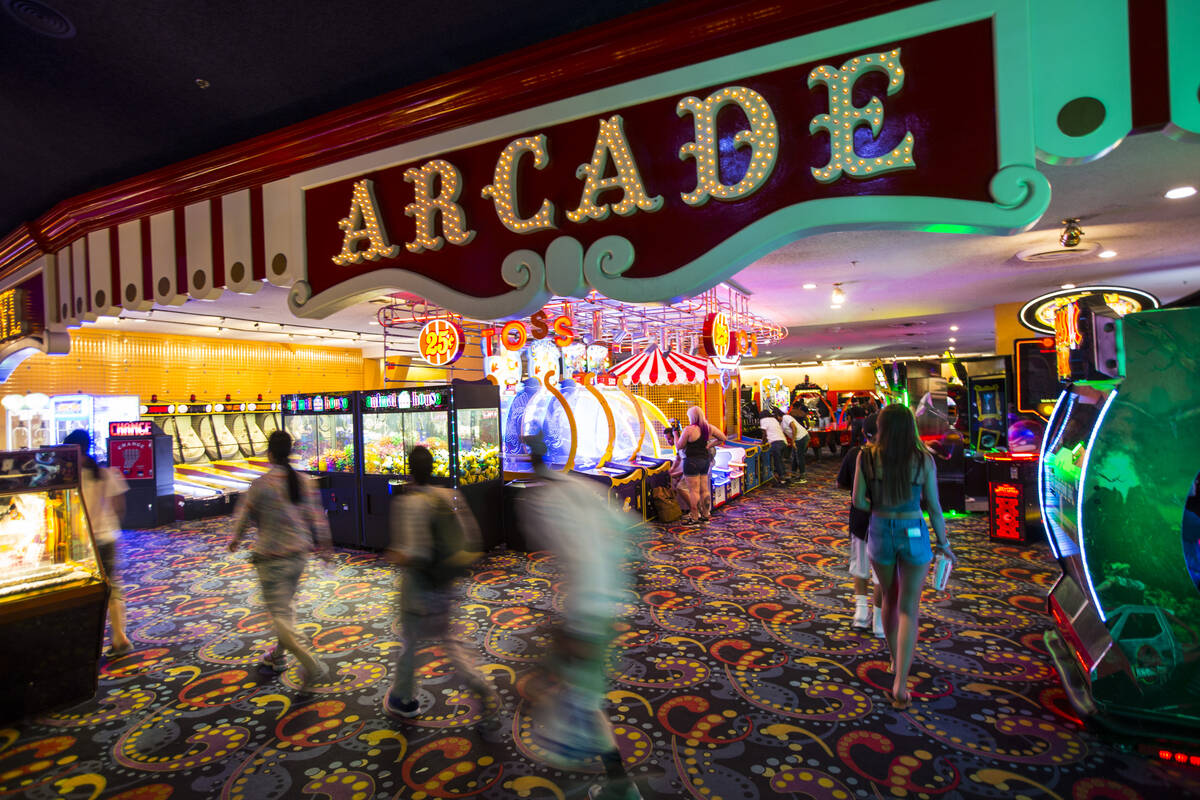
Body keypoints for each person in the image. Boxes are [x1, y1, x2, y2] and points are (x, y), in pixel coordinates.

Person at [520, 431, 642, 800]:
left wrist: (574, 625)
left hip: (588, 609)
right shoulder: (581, 487)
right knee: (586, 697)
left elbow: (578, 559)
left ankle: (619, 786)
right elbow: (632, 531)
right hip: (609, 601)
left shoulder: (542, 501)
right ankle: (618, 782)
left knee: (577, 700)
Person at [853, 405, 955, 710]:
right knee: (910, 608)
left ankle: (895, 662)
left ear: (881, 426)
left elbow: (857, 500)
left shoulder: (867, 456)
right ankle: (900, 684)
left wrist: (882, 507)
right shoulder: (923, 458)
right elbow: (935, 507)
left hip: (881, 529)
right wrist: (944, 544)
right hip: (913, 529)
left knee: (889, 598)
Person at [383, 445, 493, 718]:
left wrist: (394, 556)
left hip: (418, 589)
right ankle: (479, 684)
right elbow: (471, 540)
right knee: (449, 641)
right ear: (433, 468)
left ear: (410, 470)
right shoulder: (449, 495)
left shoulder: (408, 503)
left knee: (410, 644)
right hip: (444, 587)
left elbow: (413, 553)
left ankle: (403, 698)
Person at [228, 430, 332, 689]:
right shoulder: (303, 481)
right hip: (298, 556)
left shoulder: (261, 484)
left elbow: (244, 516)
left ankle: (311, 663)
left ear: (269, 453)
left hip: (271, 558)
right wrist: (326, 546)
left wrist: (235, 539)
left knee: (280, 616)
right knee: (286, 609)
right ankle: (278, 656)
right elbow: (317, 516)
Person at [64, 429, 132, 656]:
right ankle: (119, 636)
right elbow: (119, 508)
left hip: (84, 542)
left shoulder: (71, 479)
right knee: (111, 587)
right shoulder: (107, 474)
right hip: (107, 537)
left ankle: (83, 640)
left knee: (84, 591)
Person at [835, 417, 883, 636]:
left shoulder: (856, 454)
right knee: (882, 571)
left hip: (860, 518)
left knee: (860, 565)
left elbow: (841, 483)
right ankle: (880, 620)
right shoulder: (895, 456)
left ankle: (861, 613)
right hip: (887, 521)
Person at [677, 405, 726, 523]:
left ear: (691, 417)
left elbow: (679, 446)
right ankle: (706, 514)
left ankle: (694, 517)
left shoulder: (689, 429)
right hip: (705, 461)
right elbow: (722, 437)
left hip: (692, 461)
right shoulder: (708, 428)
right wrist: (709, 445)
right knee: (704, 489)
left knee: (693, 491)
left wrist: (675, 434)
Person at [759, 407, 787, 486]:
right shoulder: (774, 419)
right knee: (780, 461)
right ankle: (784, 476)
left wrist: (762, 443)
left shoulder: (763, 420)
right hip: (783, 442)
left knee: (777, 462)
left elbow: (764, 434)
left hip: (775, 443)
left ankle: (782, 481)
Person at [782, 406, 808, 483]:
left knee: (799, 457)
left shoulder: (785, 417)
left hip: (801, 437)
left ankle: (803, 477)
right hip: (798, 438)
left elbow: (794, 428)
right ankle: (793, 475)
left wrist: (792, 441)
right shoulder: (781, 423)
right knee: (794, 457)